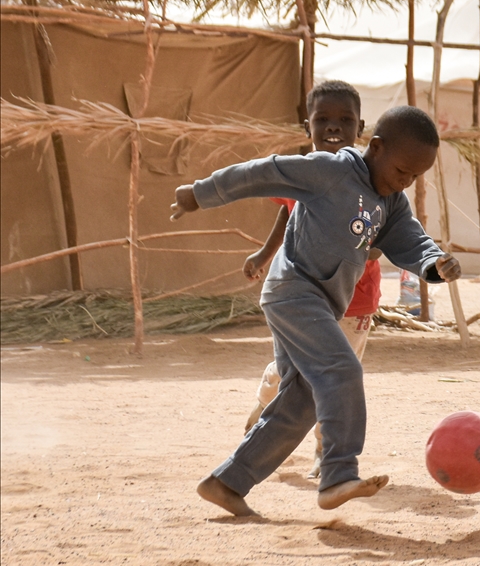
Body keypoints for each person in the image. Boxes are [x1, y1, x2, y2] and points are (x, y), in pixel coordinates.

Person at [170, 104, 460, 517]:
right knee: (341, 370)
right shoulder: (330, 172)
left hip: (321, 304)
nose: (406, 182)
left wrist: (435, 263)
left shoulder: (391, 200)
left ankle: (226, 483)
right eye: (402, 171)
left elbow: (410, 239)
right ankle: (339, 474)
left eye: (415, 177)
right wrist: (199, 193)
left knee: (303, 400)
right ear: (375, 147)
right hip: (293, 291)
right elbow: (261, 172)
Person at [242, 80, 383, 480]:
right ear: (308, 126)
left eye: (345, 120)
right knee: (292, 374)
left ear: (361, 127)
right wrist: (264, 254)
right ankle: (267, 406)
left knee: (336, 380)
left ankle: (327, 454)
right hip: (301, 296)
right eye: (323, 119)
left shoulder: (372, 179)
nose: (334, 127)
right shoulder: (298, 172)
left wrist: (366, 246)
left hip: (354, 300)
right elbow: (287, 213)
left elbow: (384, 231)